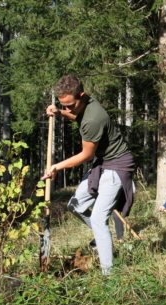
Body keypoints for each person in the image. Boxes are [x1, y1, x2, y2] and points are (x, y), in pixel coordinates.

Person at [42, 74, 134, 275]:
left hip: (117, 165)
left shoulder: (93, 118)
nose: (68, 109)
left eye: (70, 105)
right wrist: (59, 112)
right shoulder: (84, 105)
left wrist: (56, 166)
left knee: (100, 219)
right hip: (103, 162)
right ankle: (102, 238)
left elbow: (86, 155)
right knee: (75, 205)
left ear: (81, 96)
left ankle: (108, 276)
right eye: (62, 105)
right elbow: (75, 115)